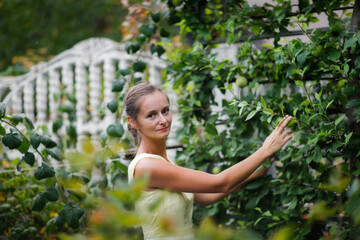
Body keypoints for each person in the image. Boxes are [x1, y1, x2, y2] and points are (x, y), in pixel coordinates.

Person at [126, 82, 292, 240]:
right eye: (151, 115)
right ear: (133, 122)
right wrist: (265, 150)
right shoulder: (147, 166)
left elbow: (206, 197)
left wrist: (255, 174)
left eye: (166, 110)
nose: (163, 120)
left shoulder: (163, 161)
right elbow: (219, 183)